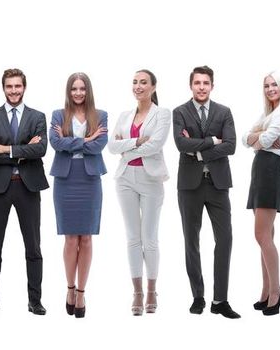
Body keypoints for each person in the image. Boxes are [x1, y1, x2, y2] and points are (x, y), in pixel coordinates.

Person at [0, 68, 49, 316]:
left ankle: (35, 300)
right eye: (9, 86)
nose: (14, 91)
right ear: (3, 88)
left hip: (28, 187)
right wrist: (21, 150)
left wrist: (5, 149)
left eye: (17, 86)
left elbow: (40, 150)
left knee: (33, 247)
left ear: (24, 87)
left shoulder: (38, 116)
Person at [173, 65, 241, 319]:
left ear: (212, 85)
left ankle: (220, 300)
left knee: (225, 240)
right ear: (191, 85)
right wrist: (213, 141)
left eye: (206, 83)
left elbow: (232, 146)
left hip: (218, 184)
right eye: (197, 83)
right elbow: (181, 144)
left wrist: (198, 150)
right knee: (192, 241)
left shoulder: (224, 112)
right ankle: (198, 297)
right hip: (189, 186)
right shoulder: (180, 112)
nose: (201, 87)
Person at [108, 69, 170, 316]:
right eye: (135, 82)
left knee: (149, 238)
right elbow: (112, 146)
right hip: (124, 178)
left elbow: (156, 145)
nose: (138, 86)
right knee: (132, 237)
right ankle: (137, 292)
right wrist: (135, 142)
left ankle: (152, 290)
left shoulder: (162, 114)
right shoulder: (124, 116)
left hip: (151, 179)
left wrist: (127, 147)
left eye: (143, 82)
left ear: (153, 87)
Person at [50, 73, 109, 318]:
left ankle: (82, 292)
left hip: (90, 180)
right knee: (70, 239)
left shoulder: (101, 115)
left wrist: (71, 140)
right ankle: (70, 289)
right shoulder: (57, 115)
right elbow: (55, 143)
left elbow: (99, 145)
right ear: (68, 90)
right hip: (65, 179)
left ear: (88, 90)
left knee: (86, 238)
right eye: (74, 88)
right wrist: (86, 138)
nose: (77, 93)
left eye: (82, 88)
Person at [246, 72, 280, 316]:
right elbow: (247, 139)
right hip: (259, 169)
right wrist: (258, 138)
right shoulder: (268, 113)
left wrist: (259, 138)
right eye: (266, 85)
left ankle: (277, 291)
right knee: (267, 236)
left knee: (261, 234)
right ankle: (266, 290)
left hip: (270, 171)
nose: (270, 88)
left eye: (274, 84)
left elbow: (265, 138)